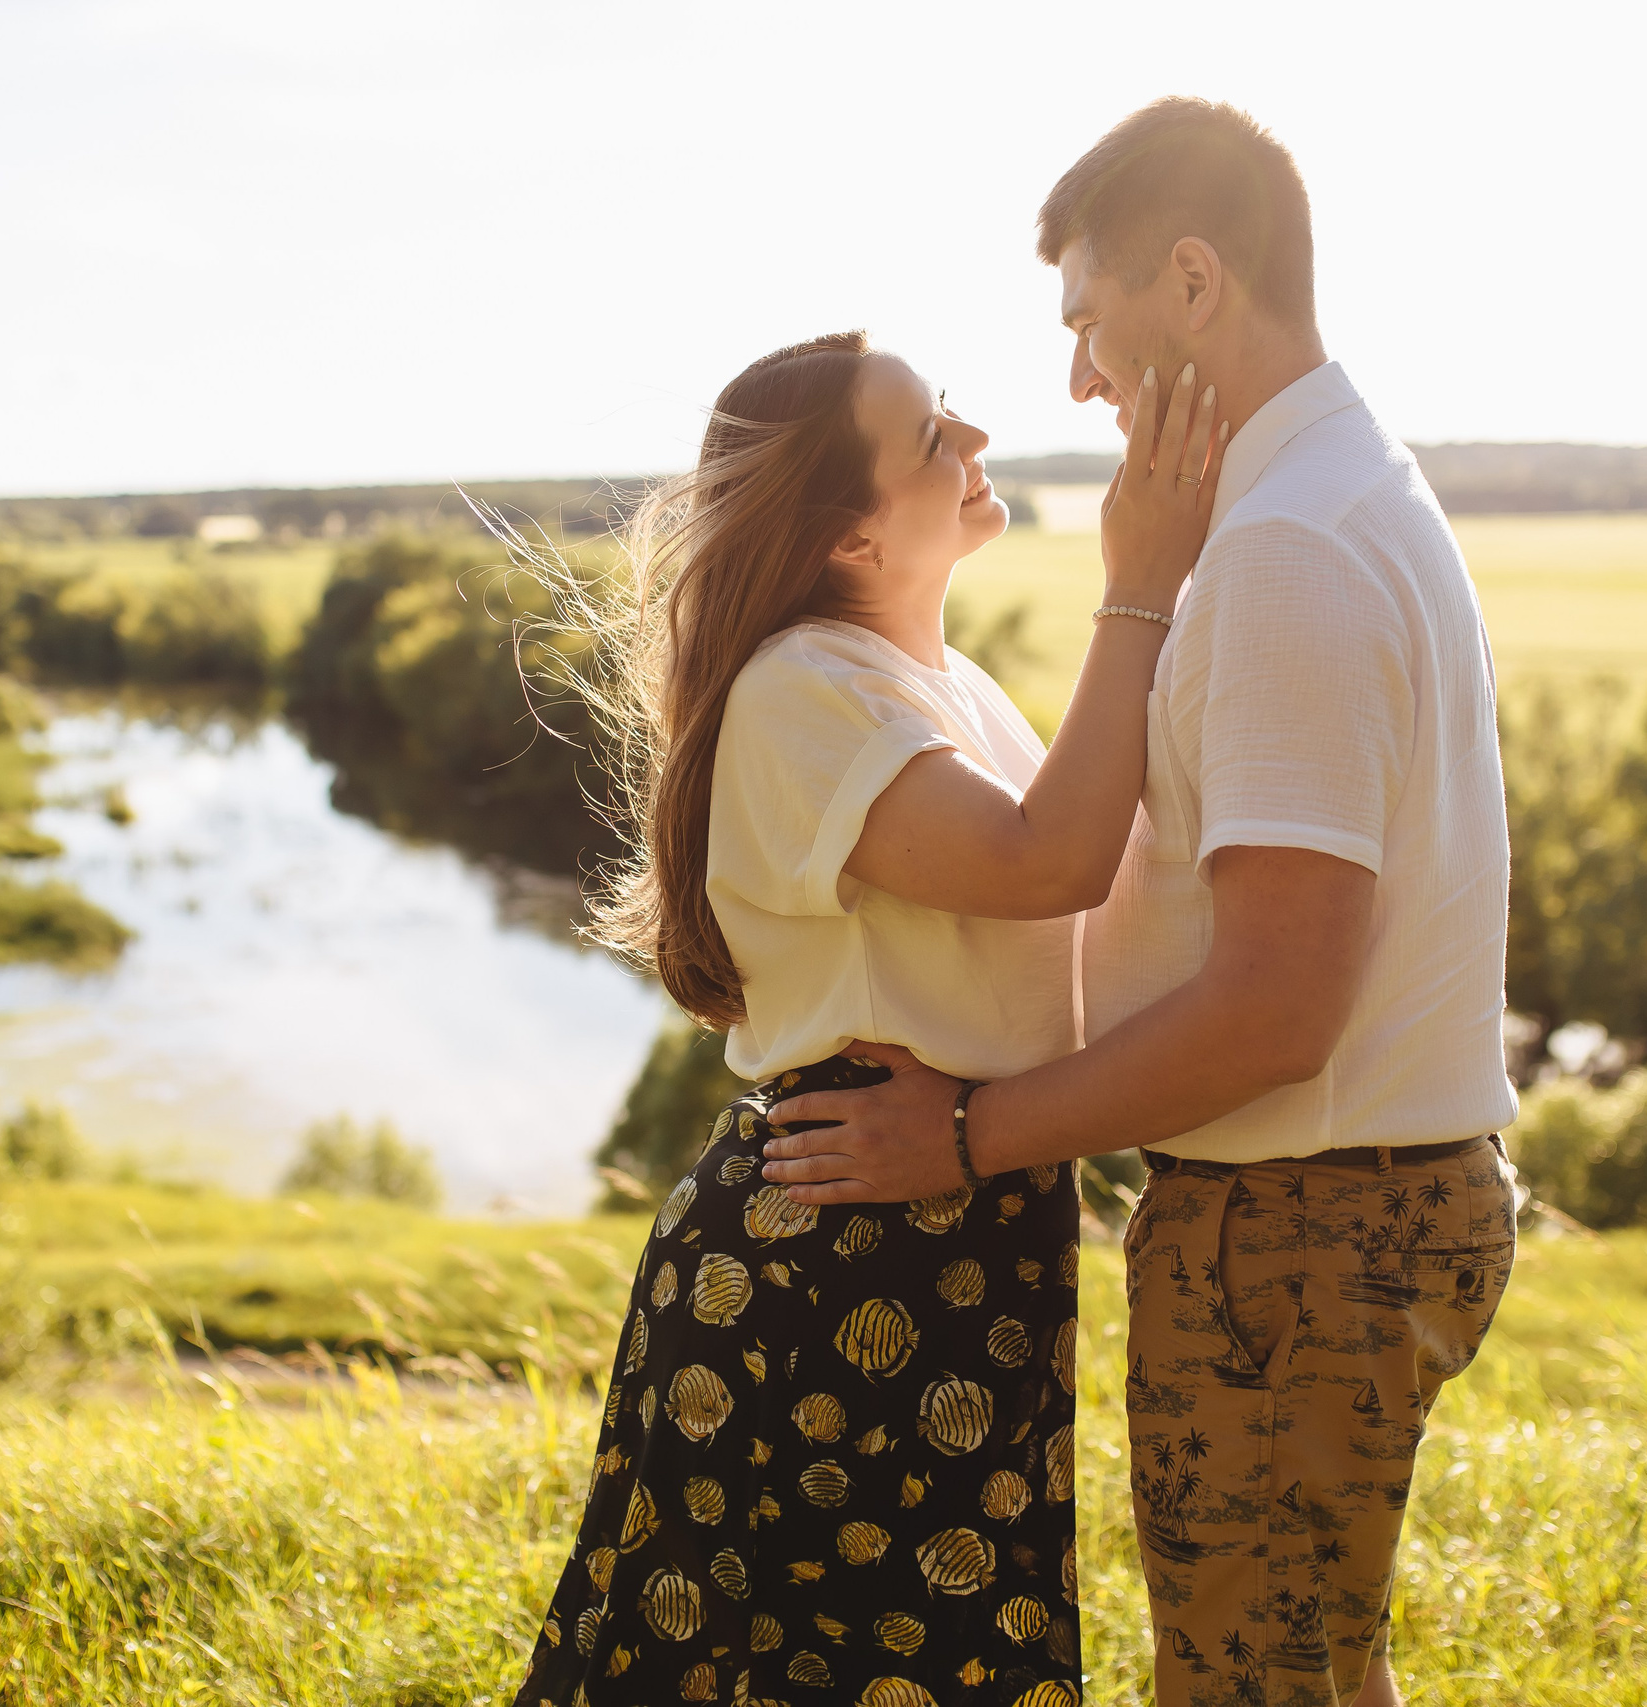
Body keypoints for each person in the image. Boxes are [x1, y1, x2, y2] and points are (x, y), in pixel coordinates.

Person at [759, 100, 1523, 1707]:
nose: (1078, 379)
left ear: (1191, 282)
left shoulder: (1287, 552)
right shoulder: (1332, 495)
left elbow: (1277, 1008)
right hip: (1326, 1215)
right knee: (1312, 1672)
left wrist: (968, 1136)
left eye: (1086, 320)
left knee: (1250, 1688)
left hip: (1304, 1228)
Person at [513, 329, 1226, 1706]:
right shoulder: (802, 687)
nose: (977, 442)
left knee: (928, 1653)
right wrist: (1139, 585)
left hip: (957, 1223)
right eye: (932, 435)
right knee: (812, 1663)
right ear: (850, 533)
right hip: (835, 1253)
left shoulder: (948, 690)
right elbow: (1048, 863)